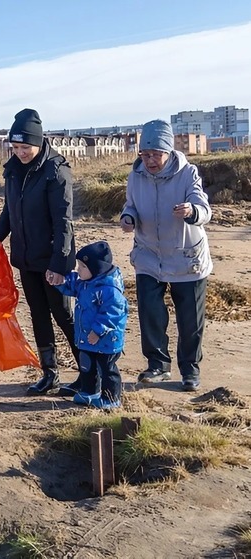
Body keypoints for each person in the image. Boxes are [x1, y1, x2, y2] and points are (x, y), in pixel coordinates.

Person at [0, 108, 80, 395]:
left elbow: (64, 222)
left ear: (39, 143)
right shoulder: (13, 170)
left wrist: (59, 265)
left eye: (25, 147)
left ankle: (90, 373)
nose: (20, 153)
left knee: (64, 316)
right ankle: (50, 373)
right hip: (26, 259)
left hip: (53, 259)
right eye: (15, 147)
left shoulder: (56, 171)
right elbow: (10, 210)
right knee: (38, 315)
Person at [120, 119, 212, 392]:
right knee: (150, 312)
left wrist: (191, 211)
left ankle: (190, 369)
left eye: (155, 155)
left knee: (190, 319)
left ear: (169, 152)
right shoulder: (135, 175)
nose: (149, 160)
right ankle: (158, 365)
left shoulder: (188, 173)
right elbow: (131, 205)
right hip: (148, 255)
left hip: (186, 258)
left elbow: (203, 208)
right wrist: (128, 218)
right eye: (144, 155)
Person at [56, 241, 128, 409]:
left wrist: (98, 331)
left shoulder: (110, 290)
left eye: (82, 266)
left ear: (96, 268)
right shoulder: (85, 282)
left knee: (107, 369)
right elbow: (72, 284)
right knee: (87, 366)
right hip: (87, 338)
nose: (78, 270)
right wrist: (59, 281)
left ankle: (111, 398)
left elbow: (113, 314)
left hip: (106, 340)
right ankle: (89, 392)